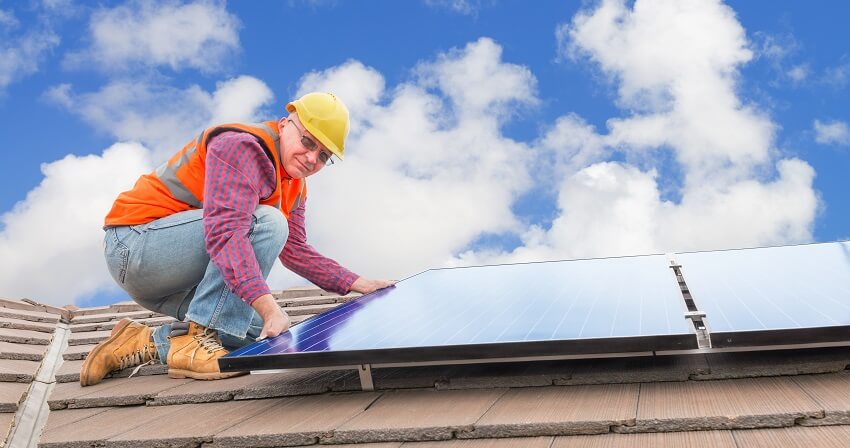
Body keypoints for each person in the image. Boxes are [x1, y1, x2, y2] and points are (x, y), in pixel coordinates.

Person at [81, 92, 392, 386]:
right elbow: (227, 232)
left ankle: (143, 342)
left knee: (248, 330)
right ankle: (194, 336)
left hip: (171, 277)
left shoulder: (295, 185)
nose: (311, 158)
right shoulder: (241, 146)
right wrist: (271, 308)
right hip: (135, 248)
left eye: (323, 156)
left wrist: (357, 282)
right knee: (268, 223)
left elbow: (295, 249)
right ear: (285, 125)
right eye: (307, 141)